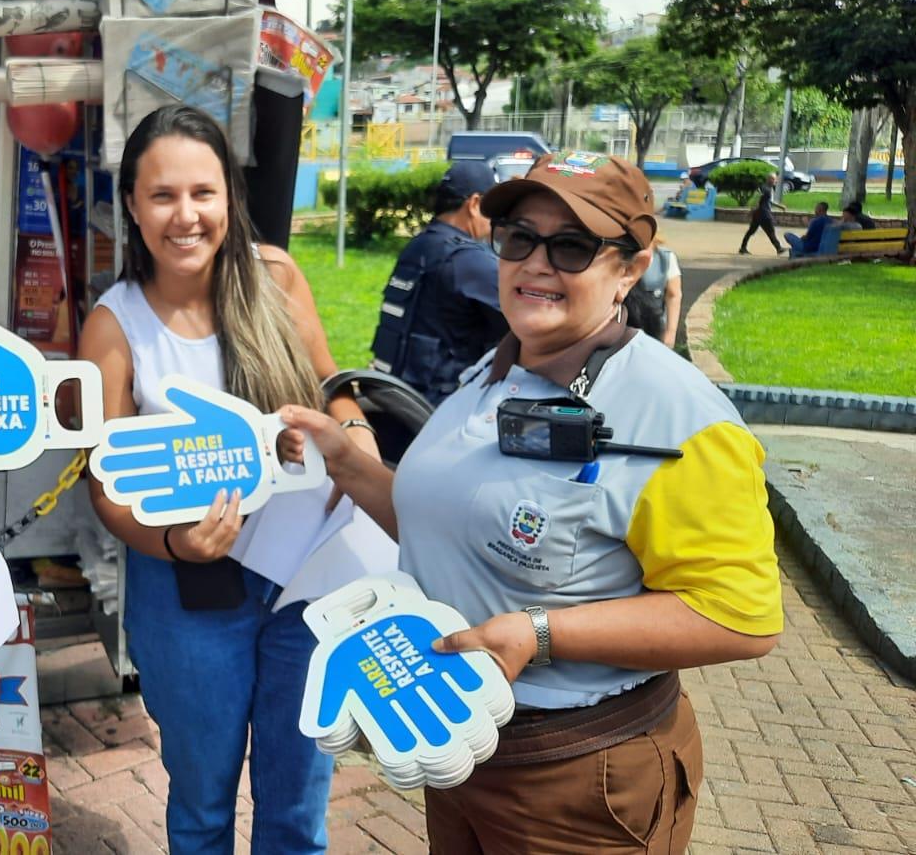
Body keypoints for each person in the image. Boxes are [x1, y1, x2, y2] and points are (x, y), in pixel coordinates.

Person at [281, 151, 783, 852]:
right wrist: (346, 461)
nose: (537, 263)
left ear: (629, 271)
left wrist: (539, 634)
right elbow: (445, 527)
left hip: (580, 779)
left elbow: (742, 618)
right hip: (462, 750)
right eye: (519, 237)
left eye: (572, 245)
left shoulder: (679, 419)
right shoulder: (496, 369)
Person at [80, 104, 381, 854]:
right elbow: (106, 485)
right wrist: (177, 543)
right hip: (188, 591)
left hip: (310, 578)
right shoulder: (113, 325)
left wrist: (354, 435)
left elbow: (329, 381)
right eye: (163, 196)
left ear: (229, 198)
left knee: (296, 810)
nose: (186, 216)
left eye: (203, 193)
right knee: (203, 809)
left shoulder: (274, 276)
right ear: (133, 208)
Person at [369, 160, 509, 405]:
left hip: (391, 396)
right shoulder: (469, 261)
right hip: (438, 409)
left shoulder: (417, 247)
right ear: (475, 204)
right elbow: (524, 325)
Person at [624, 236, 682, 346]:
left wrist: (671, 332)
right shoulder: (619, 254)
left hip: (654, 328)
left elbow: (674, 295)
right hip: (622, 326)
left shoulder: (666, 258)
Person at [739, 172, 786, 255]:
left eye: (776, 179)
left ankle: (743, 247)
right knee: (770, 231)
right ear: (769, 179)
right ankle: (779, 248)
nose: (776, 181)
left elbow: (769, 201)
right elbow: (758, 199)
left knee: (751, 231)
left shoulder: (769, 188)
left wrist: (779, 206)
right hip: (763, 214)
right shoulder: (764, 188)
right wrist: (752, 210)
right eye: (774, 179)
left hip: (759, 214)